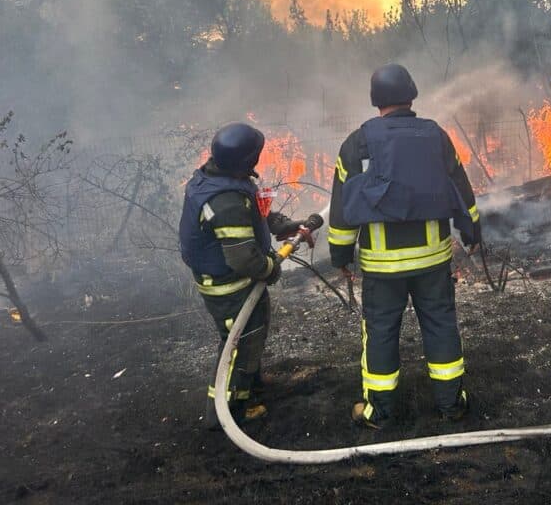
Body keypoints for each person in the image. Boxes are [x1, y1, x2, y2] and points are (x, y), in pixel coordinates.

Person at [327, 64, 481, 429]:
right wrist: (470, 230)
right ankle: (450, 405)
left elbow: (342, 207)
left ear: (374, 100)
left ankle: (379, 412)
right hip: (432, 260)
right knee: (441, 324)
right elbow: (460, 186)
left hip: (382, 267)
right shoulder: (435, 136)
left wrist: (341, 254)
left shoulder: (357, 143)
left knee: (380, 332)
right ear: (412, 93)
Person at [178, 122, 317, 429]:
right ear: (247, 159)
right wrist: (271, 268)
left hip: (234, 281)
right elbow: (243, 258)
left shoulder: (221, 177)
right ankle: (226, 411)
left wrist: (286, 226)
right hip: (229, 287)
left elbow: (256, 212)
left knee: (250, 336)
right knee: (239, 343)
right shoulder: (224, 200)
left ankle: (250, 385)